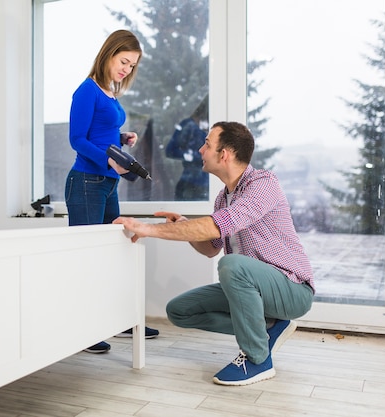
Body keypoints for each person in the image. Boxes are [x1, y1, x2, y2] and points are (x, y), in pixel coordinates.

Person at [113, 121, 315, 385]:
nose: (200, 150)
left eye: (206, 144)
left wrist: (147, 229)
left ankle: (257, 359)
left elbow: (216, 227)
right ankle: (269, 328)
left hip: (292, 289)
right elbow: (210, 248)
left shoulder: (263, 184)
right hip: (254, 287)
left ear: (224, 154)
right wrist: (184, 225)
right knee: (180, 311)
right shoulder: (223, 197)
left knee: (232, 266)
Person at [64, 29, 159, 354]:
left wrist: (120, 139)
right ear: (109, 53)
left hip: (106, 183)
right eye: (124, 61)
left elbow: (100, 132)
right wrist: (108, 157)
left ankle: (117, 320)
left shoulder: (110, 91)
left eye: (132, 66)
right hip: (87, 182)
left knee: (114, 253)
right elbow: (77, 140)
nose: (126, 69)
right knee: (88, 258)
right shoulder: (86, 90)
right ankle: (85, 328)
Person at [165, 96, 210, 200]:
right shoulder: (188, 126)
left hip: (206, 186)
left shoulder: (210, 129)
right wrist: (194, 156)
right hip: (190, 185)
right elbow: (170, 151)